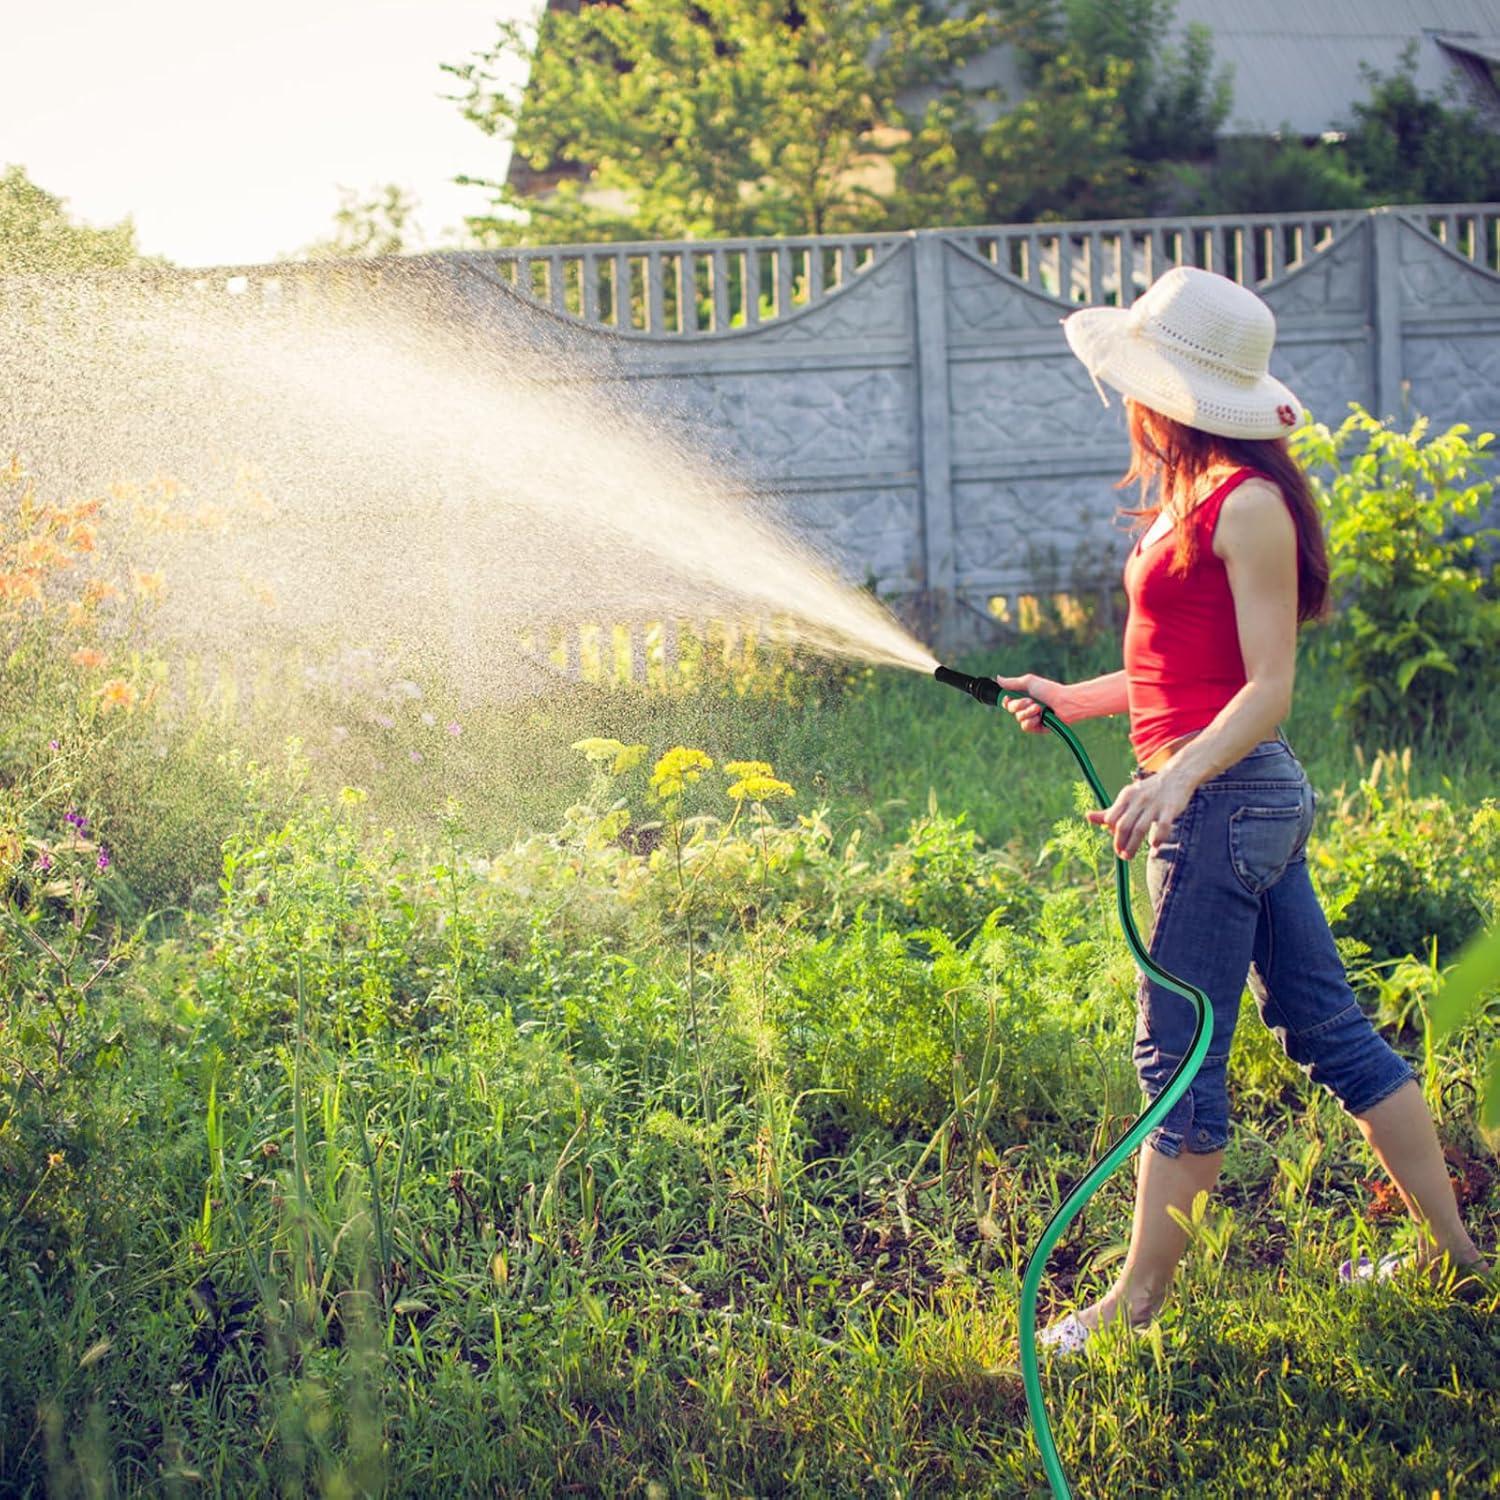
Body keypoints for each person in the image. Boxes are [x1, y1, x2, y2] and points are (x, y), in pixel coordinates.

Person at [996, 265, 1488, 1355]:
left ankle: (1132, 1308)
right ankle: (1459, 1268)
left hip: (1228, 805)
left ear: (1168, 389)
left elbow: (1268, 689)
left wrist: (1176, 778)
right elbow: (1183, 667)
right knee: (1332, 1034)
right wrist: (1073, 697)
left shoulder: (1250, 505)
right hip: (1234, 801)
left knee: (1178, 1056)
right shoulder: (1190, 495)